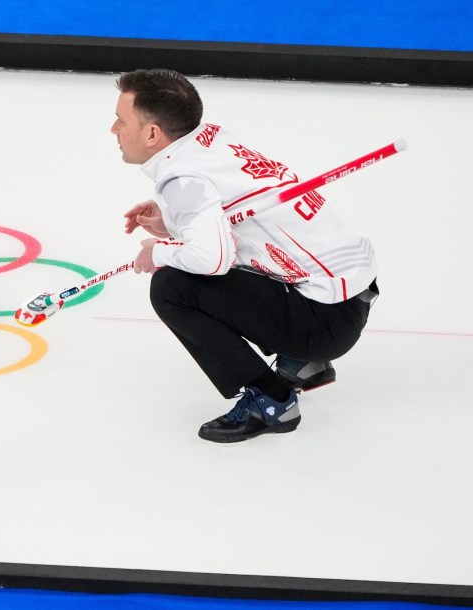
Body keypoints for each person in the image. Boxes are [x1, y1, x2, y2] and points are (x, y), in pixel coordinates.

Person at [113, 68, 379, 443]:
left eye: (121, 121)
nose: (114, 130)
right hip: (349, 293)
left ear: (152, 134)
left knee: (172, 287)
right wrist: (175, 219)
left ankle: (272, 401)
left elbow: (212, 260)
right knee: (199, 264)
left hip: (325, 320)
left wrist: (159, 252)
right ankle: (304, 365)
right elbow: (232, 221)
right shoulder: (211, 140)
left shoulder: (183, 179)